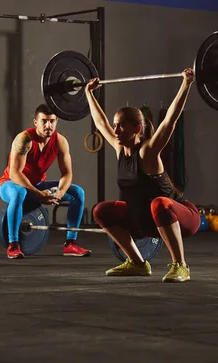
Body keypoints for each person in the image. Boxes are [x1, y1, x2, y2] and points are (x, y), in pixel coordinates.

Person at [85, 68, 200, 282]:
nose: (115, 130)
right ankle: (137, 263)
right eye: (115, 125)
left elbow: (170, 121)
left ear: (137, 128)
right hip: (145, 220)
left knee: (159, 203)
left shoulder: (147, 152)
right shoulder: (120, 150)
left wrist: (186, 84)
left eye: (120, 126)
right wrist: (88, 93)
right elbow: (100, 123)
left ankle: (180, 266)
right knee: (101, 210)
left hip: (181, 216)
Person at [0, 104, 91, 259]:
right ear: (36, 122)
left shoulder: (60, 141)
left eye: (52, 121)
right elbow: (15, 174)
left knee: (77, 193)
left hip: (37, 186)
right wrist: (38, 194)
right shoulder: (24, 139)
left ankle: (70, 243)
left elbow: (67, 173)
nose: (49, 125)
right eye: (44, 121)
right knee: (19, 192)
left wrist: (60, 191)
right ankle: (13, 244)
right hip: (10, 185)